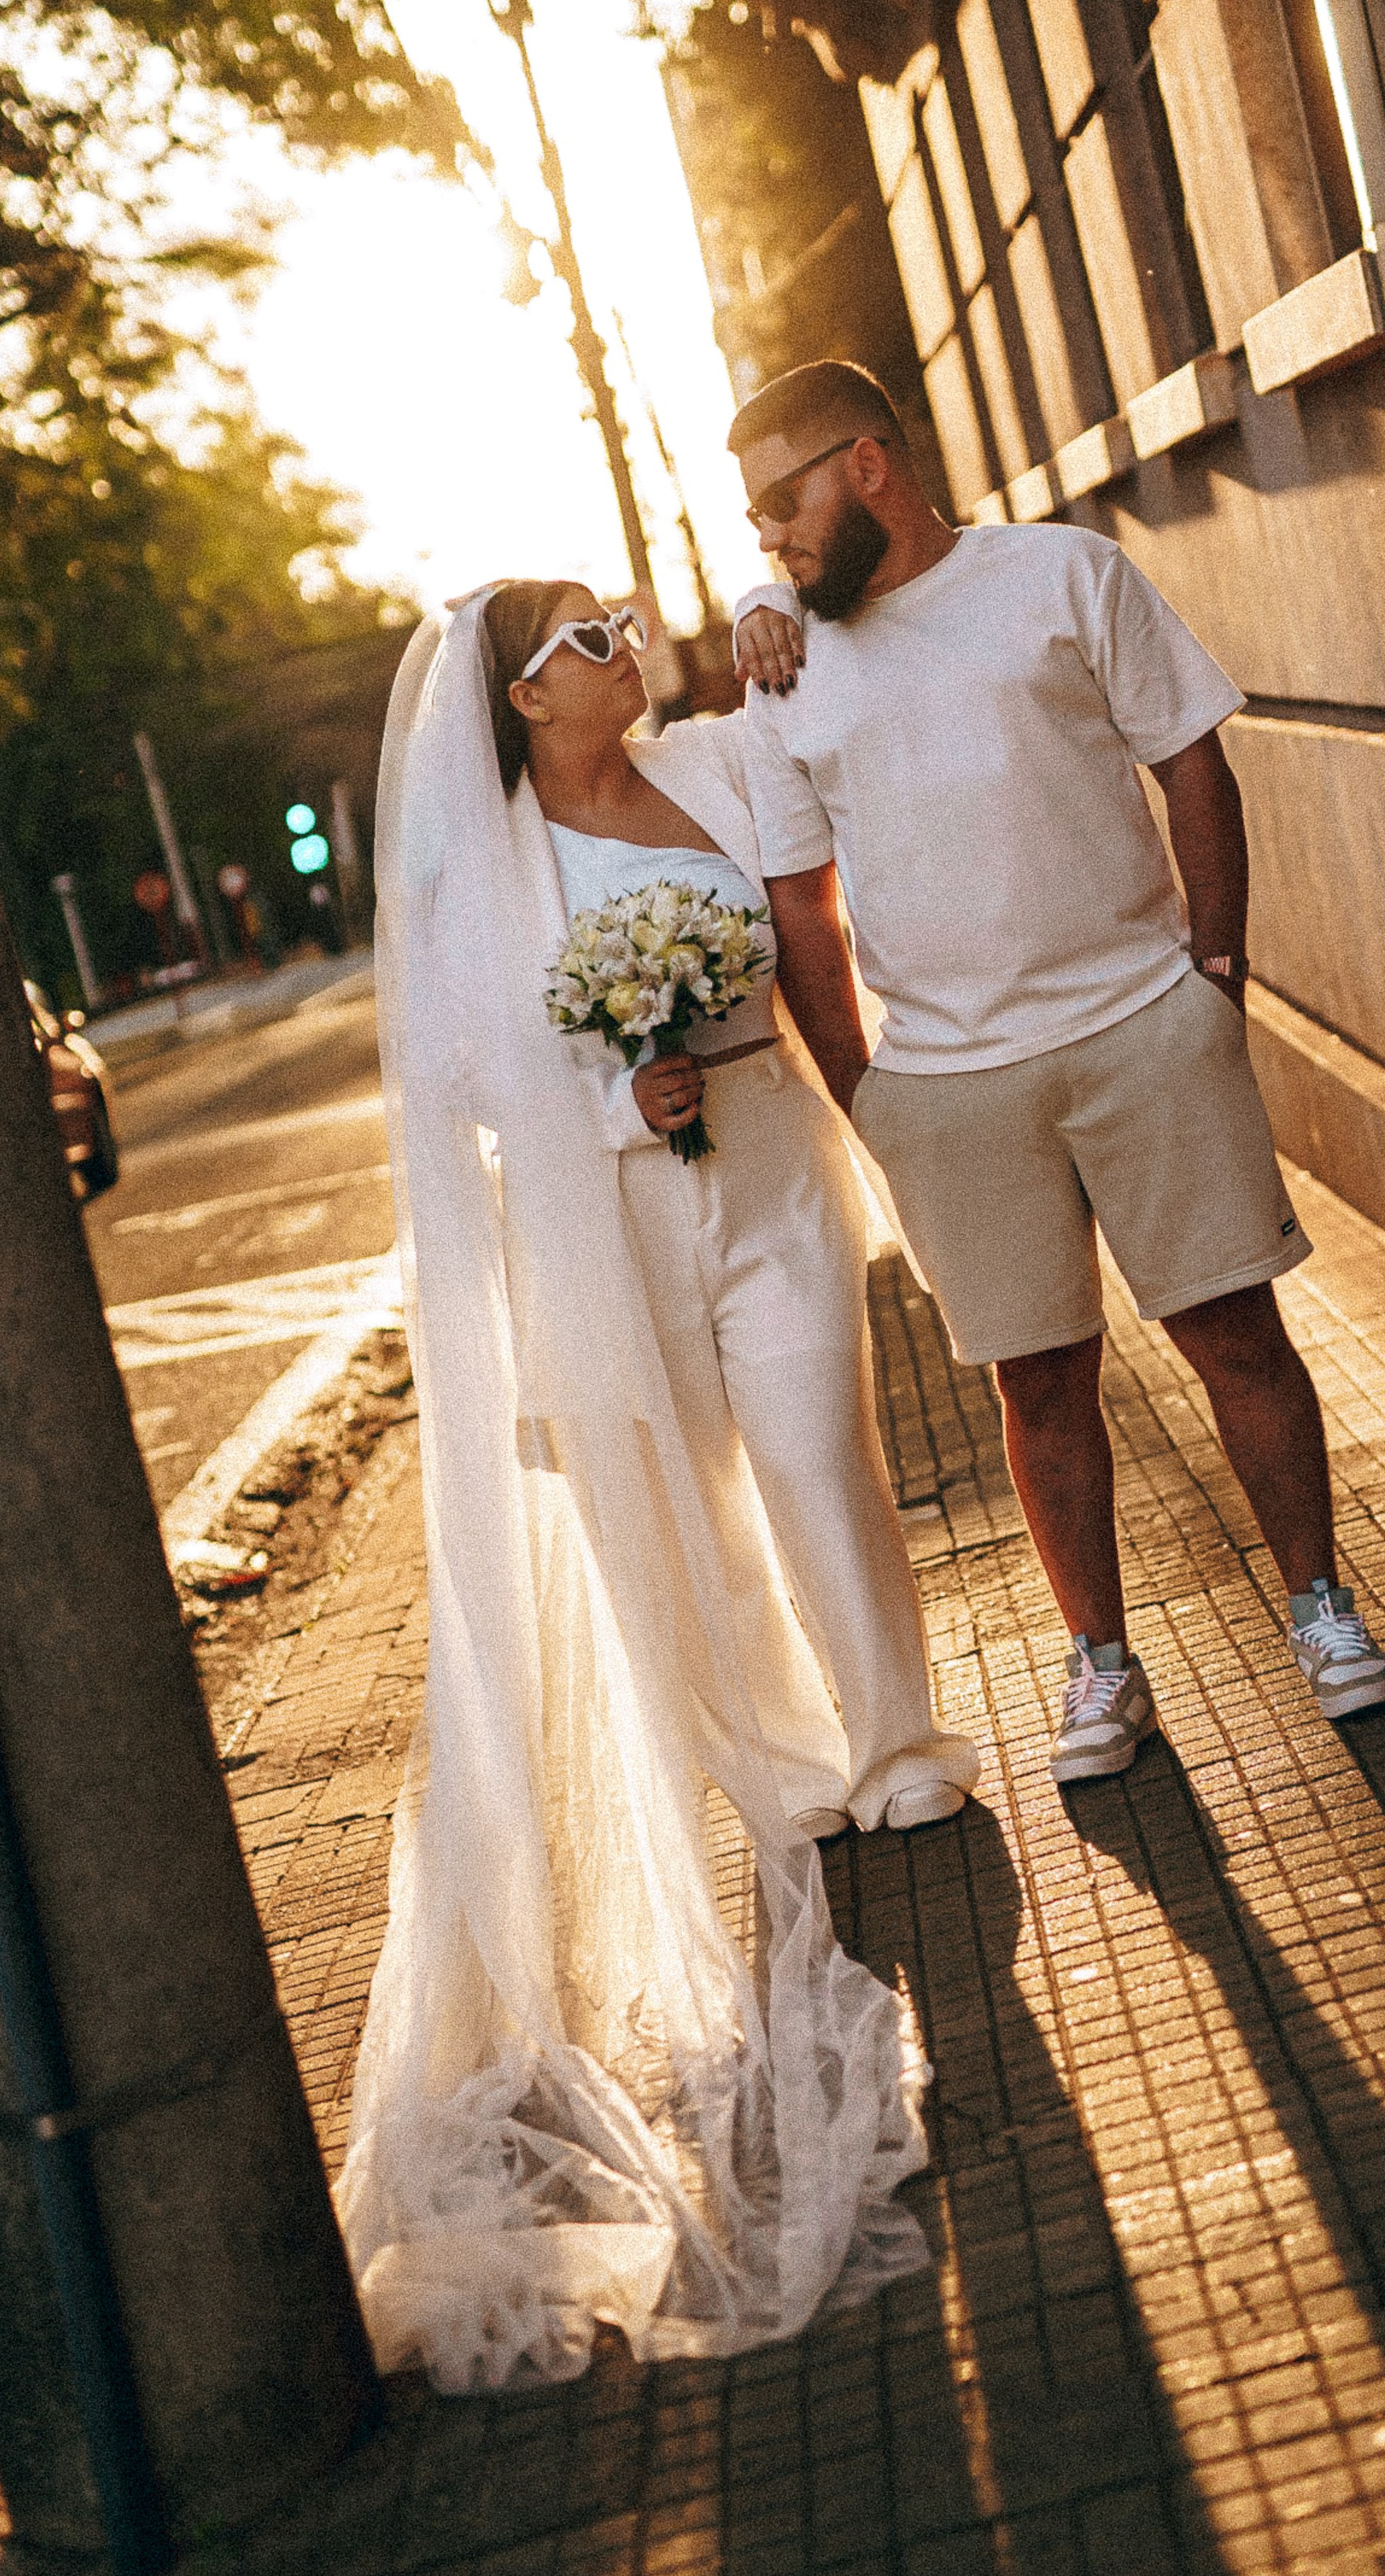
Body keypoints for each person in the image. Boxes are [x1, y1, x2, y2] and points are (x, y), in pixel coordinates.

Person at [339, 578, 976, 2394]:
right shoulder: (492, 862)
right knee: (690, 1495)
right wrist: (634, 1077)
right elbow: (463, 1074)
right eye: (581, 641)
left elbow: (816, 739)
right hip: (615, 1210)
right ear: (521, 702)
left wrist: (778, 613)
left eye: (620, 621)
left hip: (772, 1164)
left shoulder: (710, 753)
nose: (619, 649)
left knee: (815, 1447)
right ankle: (781, 1765)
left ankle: (897, 1741)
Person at [725, 357, 1385, 1790]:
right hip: (951, 1084)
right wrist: (872, 1095)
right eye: (751, 529)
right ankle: (1102, 1662)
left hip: (1141, 1023)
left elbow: (1195, 765)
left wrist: (1213, 978)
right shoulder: (782, 671)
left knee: (1234, 1334)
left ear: (867, 467)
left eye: (778, 507)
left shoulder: (1061, 576)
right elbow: (800, 907)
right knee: (1038, 1387)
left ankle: (1322, 1610)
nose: (766, 544)